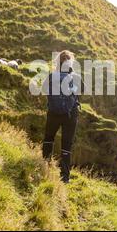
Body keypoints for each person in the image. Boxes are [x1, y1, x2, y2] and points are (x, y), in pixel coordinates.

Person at [42, 50, 84, 183]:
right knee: (67, 144)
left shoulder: (51, 76)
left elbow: (43, 89)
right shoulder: (75, 76)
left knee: (49, 139)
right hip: (70, 114)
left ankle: (45, 167)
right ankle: (64, 177)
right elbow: (82, 89)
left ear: (58, 62)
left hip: (53, 112)